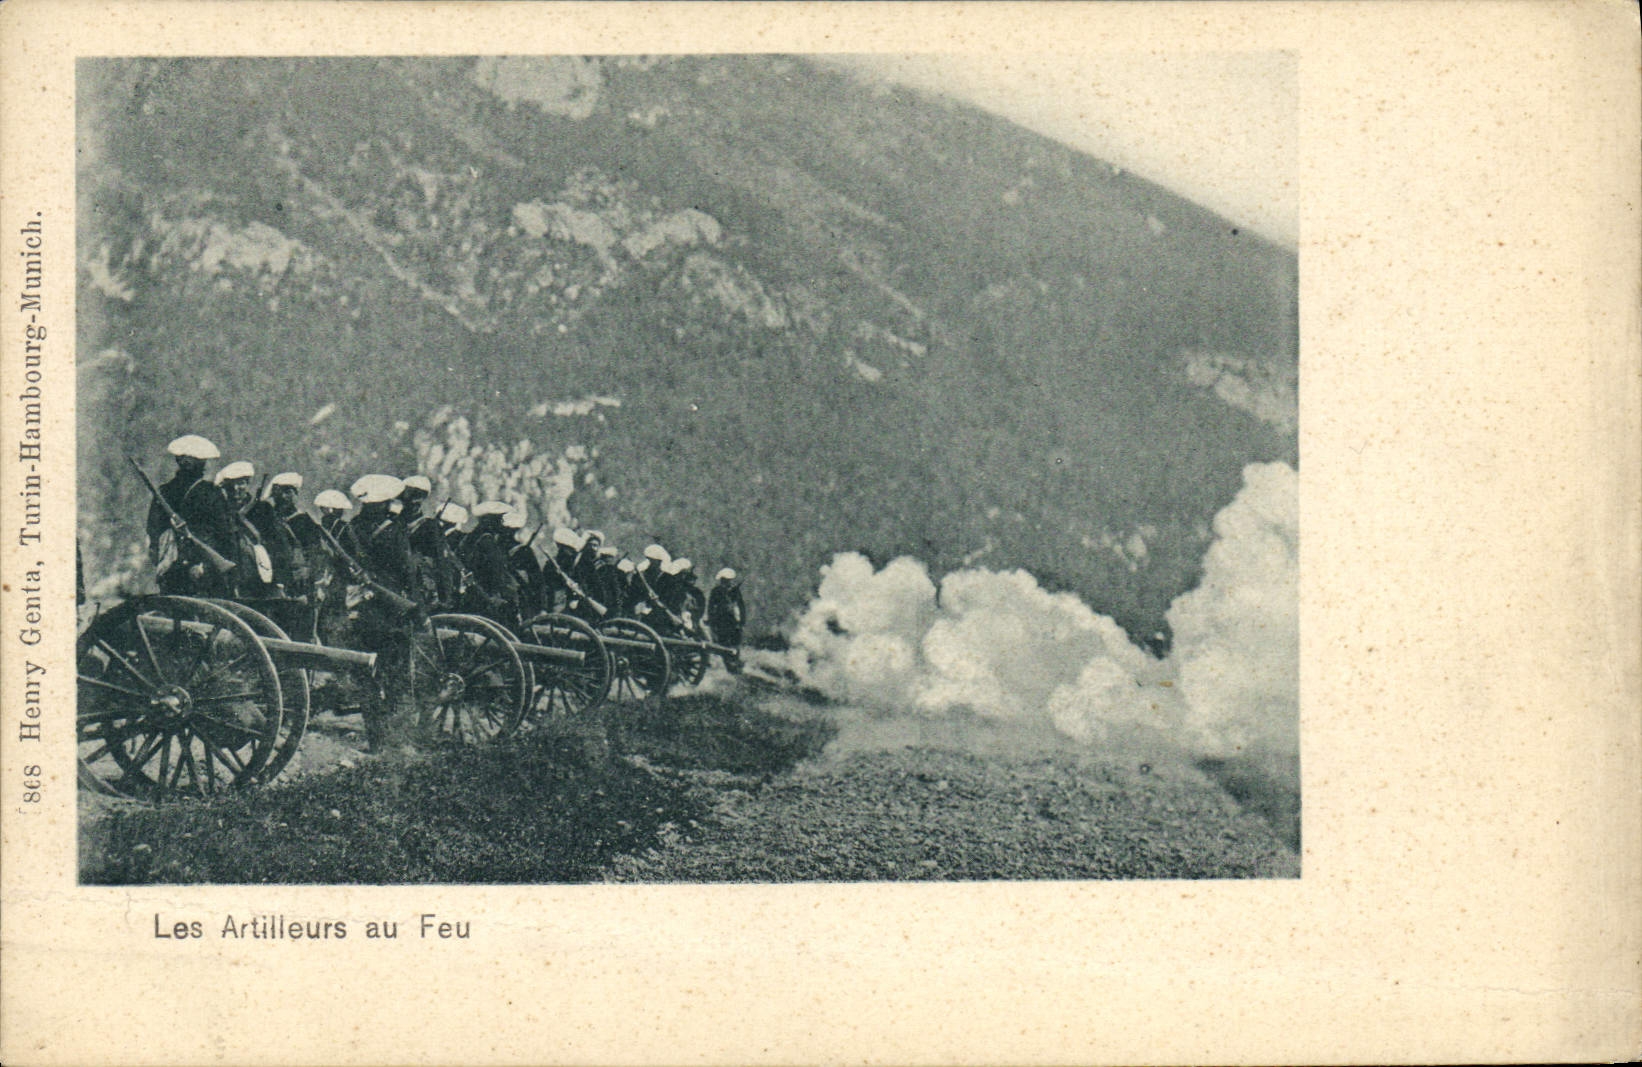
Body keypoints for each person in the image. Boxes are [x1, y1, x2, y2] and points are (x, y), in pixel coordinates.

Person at [344, 474, 418, 751]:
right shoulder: (395, 529)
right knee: (396, 675)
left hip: (363, 608)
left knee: (367, 676)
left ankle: (375, 739)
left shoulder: (351, 528)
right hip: (392, 609)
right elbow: (407, 570)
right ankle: (396, 739)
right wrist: (415, 606)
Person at [146, 434, 236, 596]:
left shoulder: (164, 492)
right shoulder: (212, 493)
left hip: (173, 567)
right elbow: (225, 535)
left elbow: (154, 533)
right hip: (204, 568)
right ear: (203, 463)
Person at [214, 461, 276, 598]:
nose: (236, 488)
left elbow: (276, 545)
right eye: (231, 485)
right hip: (231, 578)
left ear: (248, 484)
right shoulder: (220, 512)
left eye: (241, 483)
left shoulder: (262, 510)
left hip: (261, 575)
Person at [246, 471, 312, 598]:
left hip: (298, 574)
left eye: (289, 492)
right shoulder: (267, 517)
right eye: (281, 493)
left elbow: (312, 550)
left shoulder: (303, 520)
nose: (285, 497)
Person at [458, 501, 520, 625]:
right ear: (491, 521)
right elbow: (497, 571)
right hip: (484, 597)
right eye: (499, 520)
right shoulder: (487, 541)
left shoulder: (470, 538)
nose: (502, 524)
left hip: (471, 594)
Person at [706, 568, 746, 672]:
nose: (728, 582)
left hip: (733, 621)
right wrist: (711, 620)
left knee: (735, 642)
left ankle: (735, 663)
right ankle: (729, 666)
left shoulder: (735, 591)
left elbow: (741, 605)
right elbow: (710, 607)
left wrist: (742, 621)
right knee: (723, 643)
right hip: (721, 621)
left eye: (729, 580)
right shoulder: (716, 591)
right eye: (725, 580)